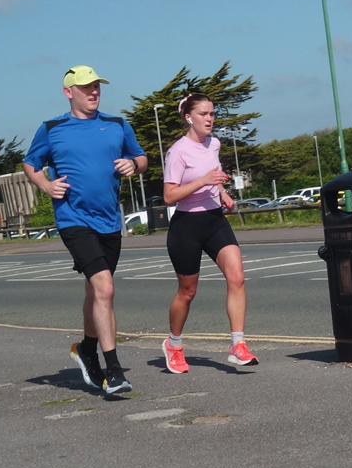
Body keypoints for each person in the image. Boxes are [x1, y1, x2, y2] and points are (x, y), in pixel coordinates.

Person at [23, 65, 147, 398]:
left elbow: (141, 157)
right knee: (105, 288)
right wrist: (45, 185)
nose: (93, 92)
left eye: (96, 87)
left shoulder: (117, 125)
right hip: (73, 220)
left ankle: (87, 348)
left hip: (109, 221)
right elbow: (30, 164)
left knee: (96, 293)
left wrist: (133, 165)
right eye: (85, 87)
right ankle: (114, 370)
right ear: (68, 92)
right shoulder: (52, 128)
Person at [160, 93, 258, 374]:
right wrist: (203, 181)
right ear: (189, 117)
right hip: (186, 226)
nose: (210, 119)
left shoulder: (214, 143)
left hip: (215, 220)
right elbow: (169, 196)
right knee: (187, 292)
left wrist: (222, 192)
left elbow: (212, 175)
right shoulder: (178, 151)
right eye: (203, 114)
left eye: (212, 114)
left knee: (237, 277)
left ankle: (238, 346)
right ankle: (174, 345)